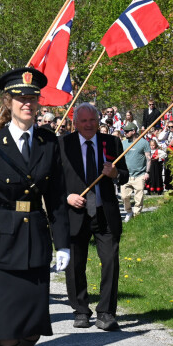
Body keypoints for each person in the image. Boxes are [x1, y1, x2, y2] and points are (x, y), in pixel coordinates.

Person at [0, 67, 70, 346]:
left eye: (32, 98)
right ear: (8, 103)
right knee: (8, 328)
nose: (27, 103)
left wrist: (62, 244)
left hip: (35, 240)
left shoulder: (49, 143)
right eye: (21, 98)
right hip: (2, 242)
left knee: (34, 326)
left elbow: (57, 199)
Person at [60, 103, 129, 332]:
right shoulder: (63, 144)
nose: (89, 125)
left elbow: (125, 175)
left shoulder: (112, 142)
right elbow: (52, 180)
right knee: (75, 264)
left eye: (93, 121)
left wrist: (115, 173)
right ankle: (80, 310)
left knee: (110, 261)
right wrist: (67, 197)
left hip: (104, 212)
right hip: (75, 213)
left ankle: (106, 312)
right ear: (75, 123)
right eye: (84, 121)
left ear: (99, 122)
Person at [120, 124, 150, 222]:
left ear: (133, 131)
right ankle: (129, 212)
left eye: (127, 131)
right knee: (124, 196)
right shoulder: (123, 143)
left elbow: (148, 159)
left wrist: (147, 172)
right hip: (126, 175)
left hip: (139, 175)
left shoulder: (143, 143)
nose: (125, 133)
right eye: (124, 131)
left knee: (139, 198)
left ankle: (137, 216)